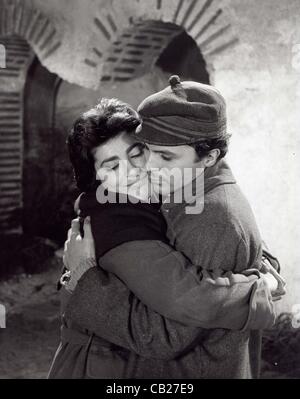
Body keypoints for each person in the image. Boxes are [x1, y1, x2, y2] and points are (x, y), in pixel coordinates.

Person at [49, 83, 284, 379]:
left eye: (138, 153)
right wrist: (262, 289)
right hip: (96, 364)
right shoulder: (119, 221)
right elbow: (185, 297)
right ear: (95, 178)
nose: (134, 170)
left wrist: (260, 259)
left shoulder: (163, 195)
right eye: (112, 166)